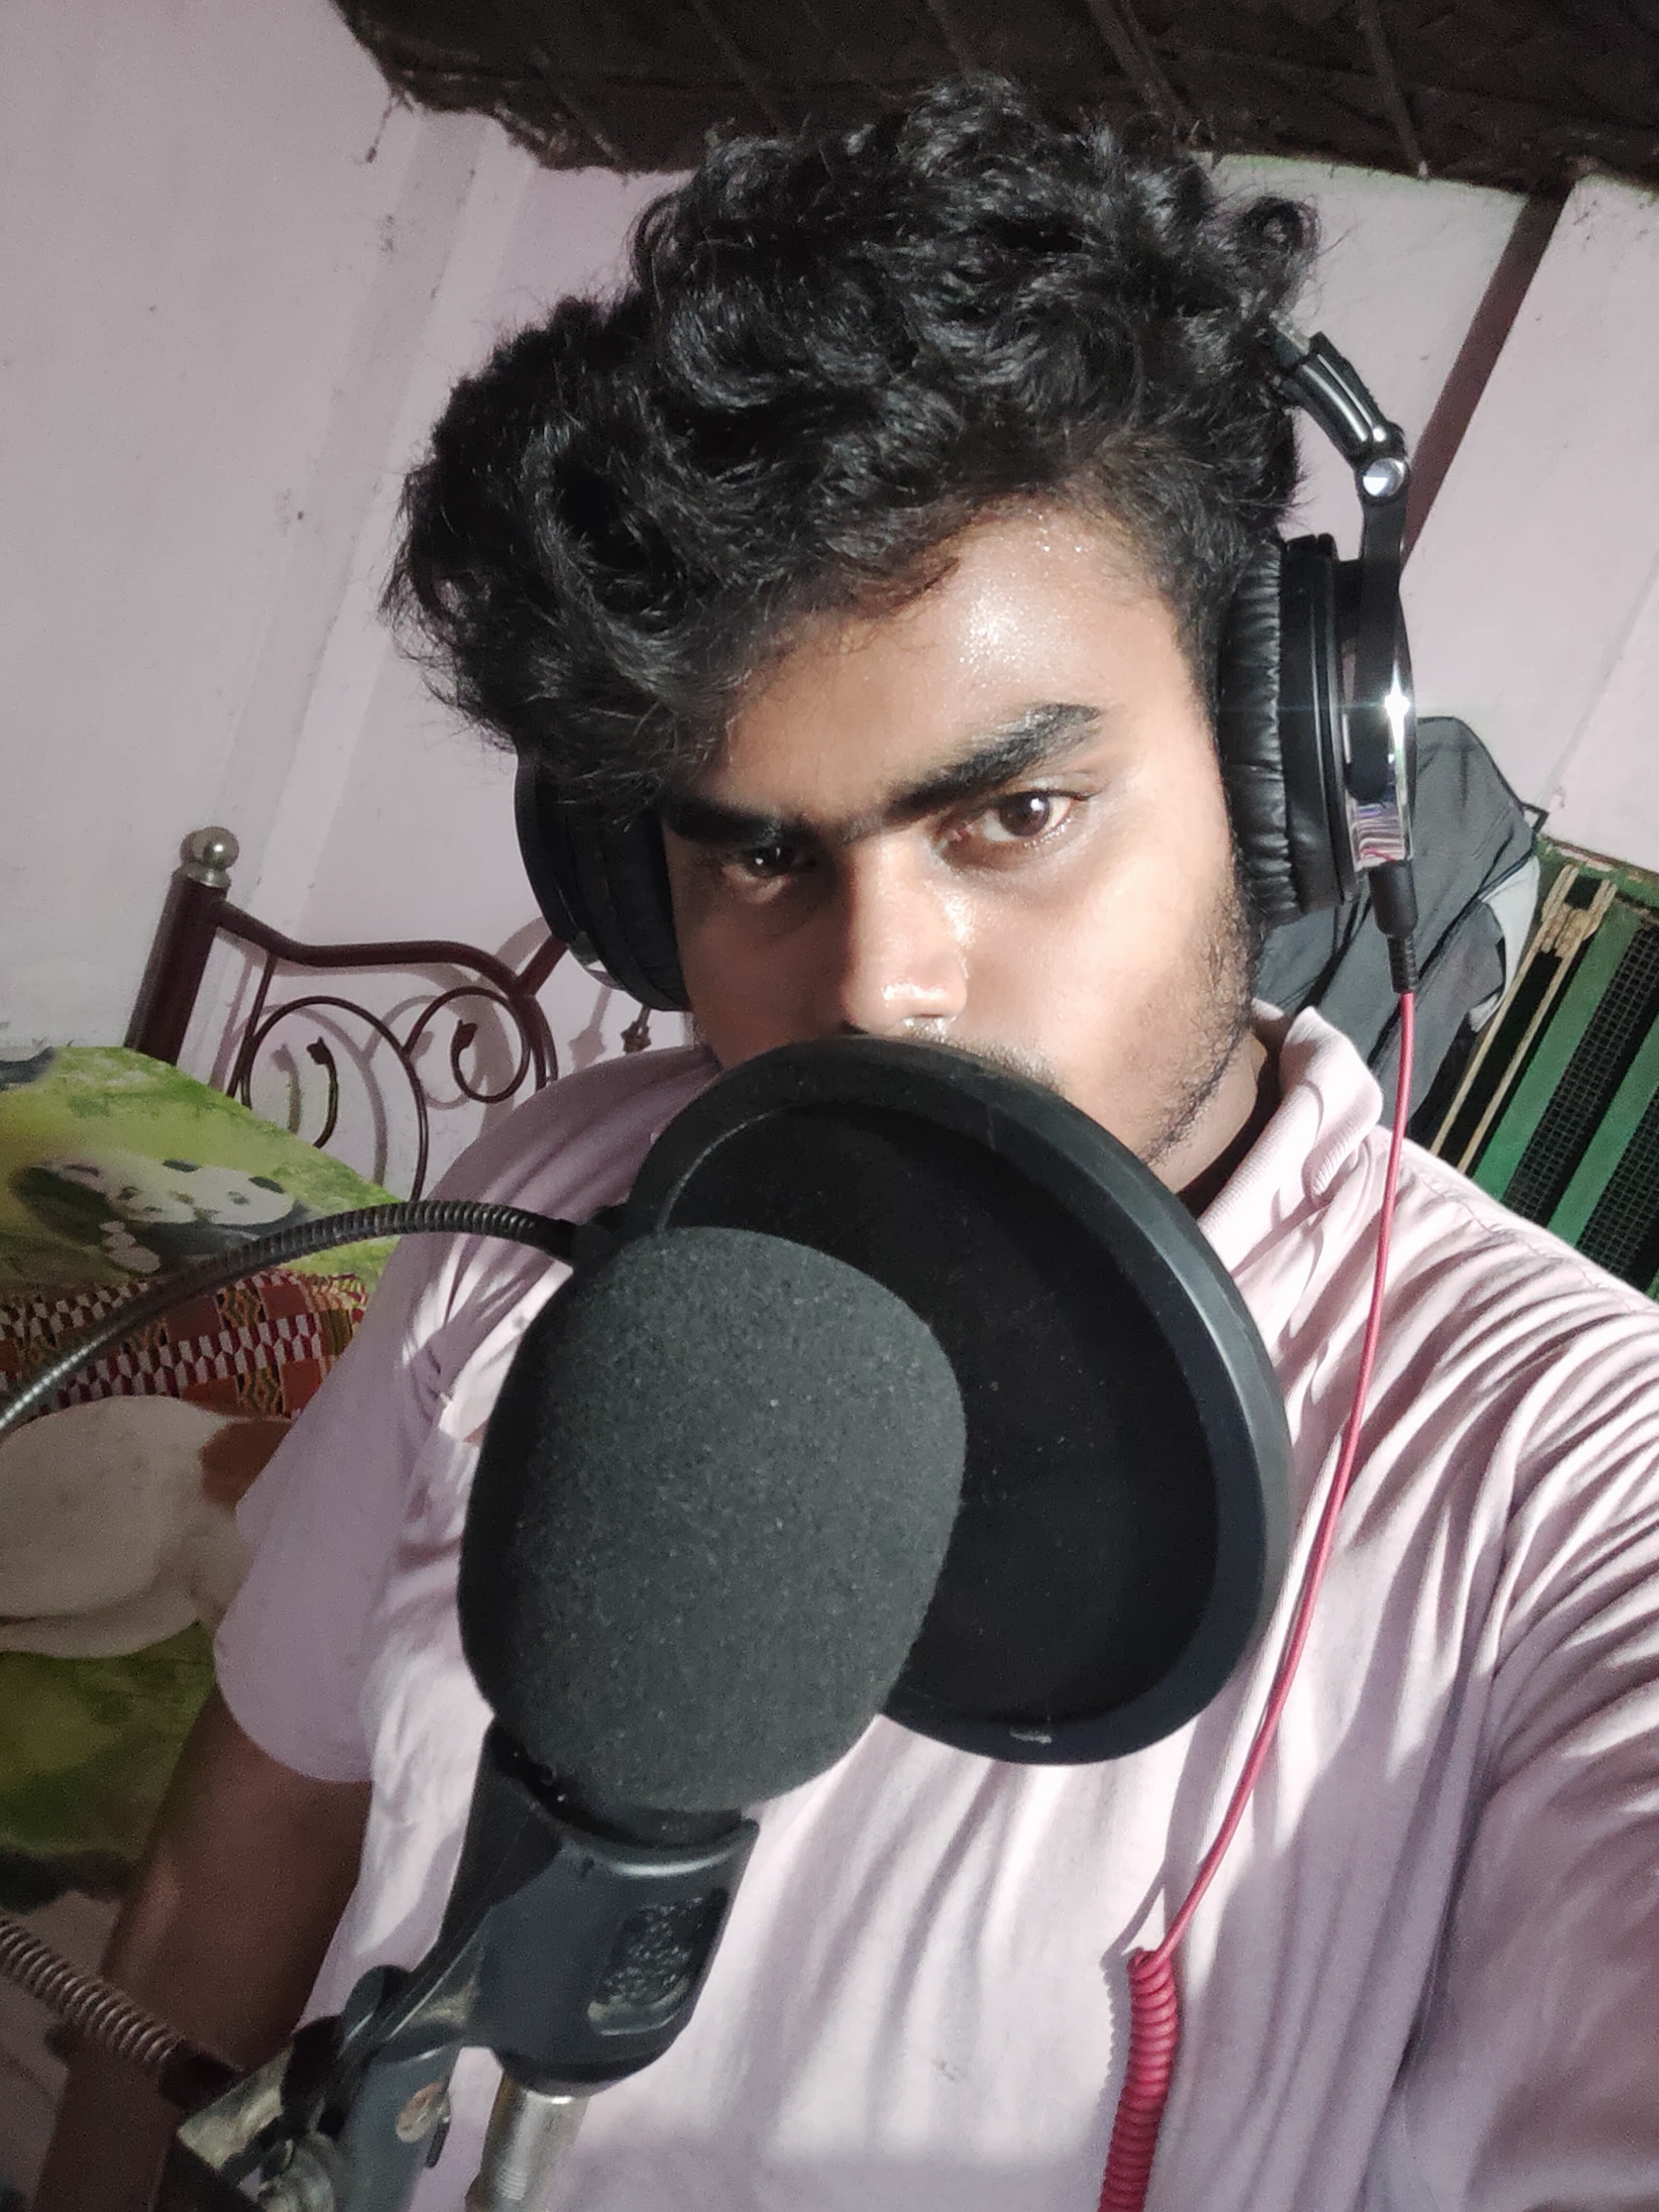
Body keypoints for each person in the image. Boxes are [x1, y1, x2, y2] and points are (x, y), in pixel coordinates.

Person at [38, 79, 1659, 2212]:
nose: (878, 988)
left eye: (1016, 813)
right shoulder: (538, 1203)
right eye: (759, 856)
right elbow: (238, 1858)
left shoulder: (1570, 1477)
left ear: (1274, 781)